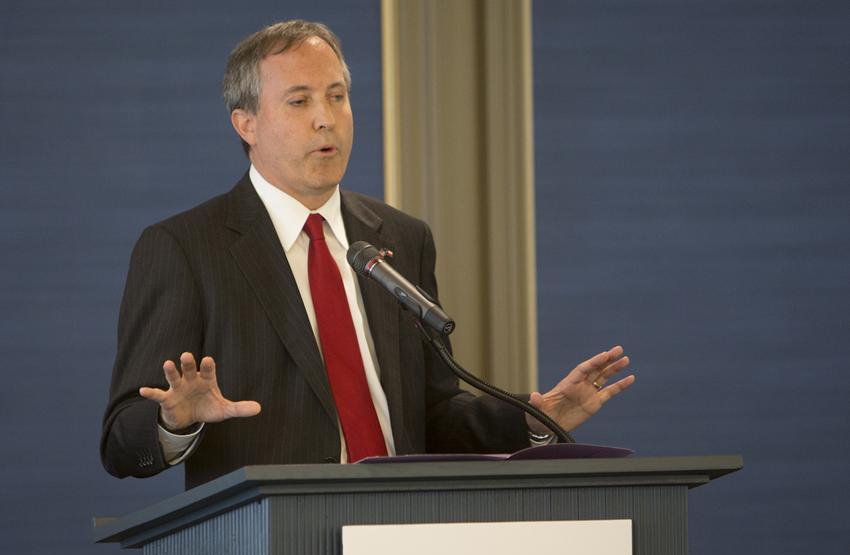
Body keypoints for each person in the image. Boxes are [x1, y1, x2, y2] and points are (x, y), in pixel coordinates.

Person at [100, 20, 635, 490]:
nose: (326, 119)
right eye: (299, 100)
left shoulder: (401, 238)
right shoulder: (187, 247)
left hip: (403, 532)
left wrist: (532, 419)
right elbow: (122, 443)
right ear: (247, 123)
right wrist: (175, 423)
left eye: (337, 96)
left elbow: (431, 416)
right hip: (271, 540)